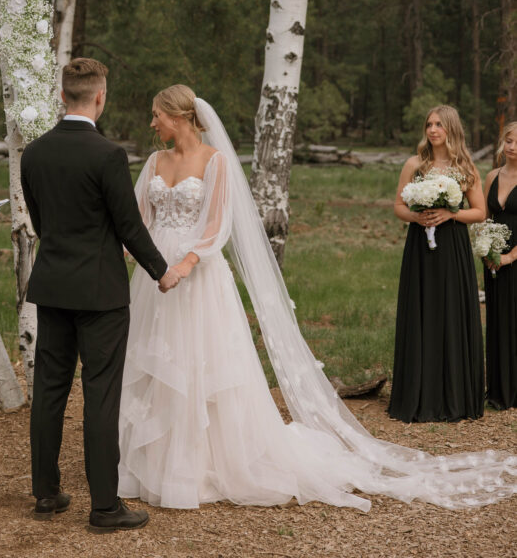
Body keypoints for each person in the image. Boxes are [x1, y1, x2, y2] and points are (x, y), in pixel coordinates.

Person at [119, 86, 517, 512]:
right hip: (153, 272)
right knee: (156, 358)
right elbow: (139, 218)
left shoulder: (214, 161)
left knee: (201, 361)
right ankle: (152, 458)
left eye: (157, 115)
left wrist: (184, 263)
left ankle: (199, 460)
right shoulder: (154, 163)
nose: (151, 123)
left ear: (177, 117)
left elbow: (217, 224)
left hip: (195, 273)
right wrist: (135, 254)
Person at [21, 58, 180, 533]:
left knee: (49, 390)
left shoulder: (34, 153)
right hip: (99, 292)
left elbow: (41, 220)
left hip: (53, 284)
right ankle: (105, 508)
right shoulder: (108, 154)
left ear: (62, 96)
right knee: (100, 396)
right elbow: (127, 225)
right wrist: (160, 270)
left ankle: (46, 493)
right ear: (99, 96)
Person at [389, 105, 485, 423]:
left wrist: (451, 214)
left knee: (451, 312)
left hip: (453, 248)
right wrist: (417, 217)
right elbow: (398, 206)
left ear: (451, 129)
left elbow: (480, 212)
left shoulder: (465, 167)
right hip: (420, 247)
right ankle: (418, 394)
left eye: (439, 125)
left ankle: (454, 394)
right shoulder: (415, 165)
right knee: (422, 311)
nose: (432, 130)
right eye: (429, 124)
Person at [483, 121, 517, 410]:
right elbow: (484, 217)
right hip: (494, 259)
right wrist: (488, 252)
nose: (513, 147)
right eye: (509, 141)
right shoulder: (491, 175)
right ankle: (497, 388)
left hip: (516, 257)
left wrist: (510, 256)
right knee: (497, 318)